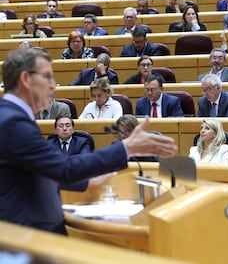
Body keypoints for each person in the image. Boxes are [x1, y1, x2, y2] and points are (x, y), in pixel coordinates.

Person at [0, 48, 176, 234]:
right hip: (27, 239)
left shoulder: (11, 116)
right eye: (47, 77)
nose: (54, 85)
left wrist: (86, 182)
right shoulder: (13, 122)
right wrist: (127, 147)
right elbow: (64, 168)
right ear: (26, 79)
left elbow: (40, 171)